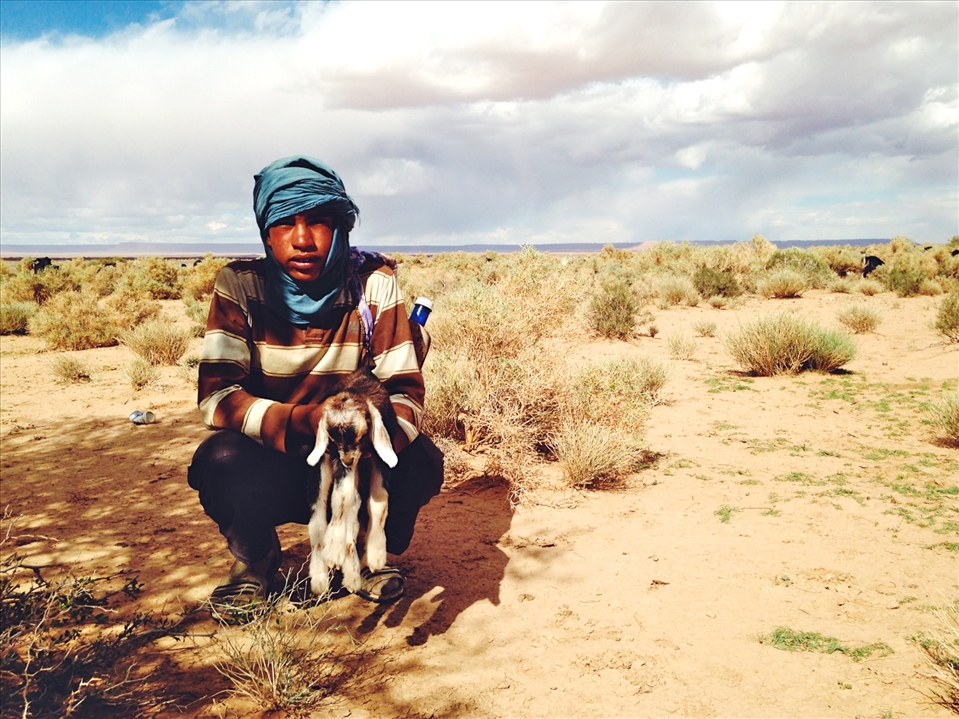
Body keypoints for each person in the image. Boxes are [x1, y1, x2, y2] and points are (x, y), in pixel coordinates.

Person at [187, 156, 444, 607]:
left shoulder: (374, 285)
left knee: (421, 461)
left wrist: (373, 432)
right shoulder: (241, 285)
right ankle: (257, 557)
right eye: (285, 222)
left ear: (340, 227)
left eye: (319, 222)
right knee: (219, 460)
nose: (303, 239)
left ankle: (361, 552)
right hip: (275, 454)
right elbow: (218, 396)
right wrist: (302, 422)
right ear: (266, 231)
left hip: (355, 454)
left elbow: (405, 390)